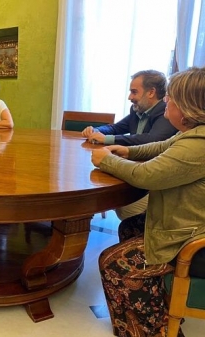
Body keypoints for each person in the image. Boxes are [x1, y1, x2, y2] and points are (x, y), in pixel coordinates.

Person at [91, 66, 205, 337]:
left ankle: (150, 331)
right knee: (130, 226)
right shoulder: (192, 135)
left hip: (192, 242)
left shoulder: (198, 145)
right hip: (186, 225)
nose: (167, 100)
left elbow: (145, 176)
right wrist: (127, 150)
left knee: (113, 263)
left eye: (173, 97)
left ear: (188, 108)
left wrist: (108, 160)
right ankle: (154, 309)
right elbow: (162, 148)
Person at [83, 70, 178, 221]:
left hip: (153, 184)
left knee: (118, 202)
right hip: (137, 173)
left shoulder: (165, 113)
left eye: (134, 92)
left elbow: (153, 140)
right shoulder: (138, 110)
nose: (130, 97)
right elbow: (116, 128)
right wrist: (97, 131)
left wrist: (108, 140)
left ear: (151, 92)